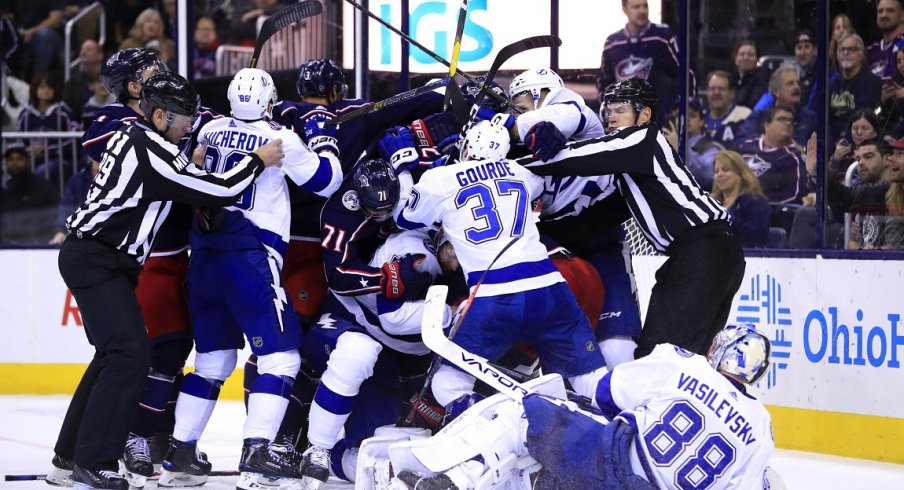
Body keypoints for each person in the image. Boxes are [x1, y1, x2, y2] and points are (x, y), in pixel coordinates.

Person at [51, 71, 283, 490]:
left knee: (112, 355)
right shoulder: (151, 148)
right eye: (182, 120)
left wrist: (187, 164)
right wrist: (258, 159)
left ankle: (68, 458)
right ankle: (94, 461)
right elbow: (221, 189)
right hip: (96, 259)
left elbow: (174, 172)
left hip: (102, 259)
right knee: (129, 354)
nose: (189, 127)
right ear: (159, 116)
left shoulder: (145, 139)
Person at [159, 67, 341, 488]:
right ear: (271, 100)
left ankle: (179, 452)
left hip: (202, 256)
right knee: (281, 359)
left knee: (212, 362)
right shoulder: (283, 138)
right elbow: (327, 182)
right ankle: (257, 455)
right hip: (251, 257)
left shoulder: (208, 128)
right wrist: (324, 138)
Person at [387, 323, 775, 490]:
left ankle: (454, 482)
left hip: (610, 462)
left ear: (720, 351)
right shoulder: (760, 427)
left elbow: (607, 395)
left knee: (524, 413)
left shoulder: (682, 363)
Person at [516, 78, 745, 359]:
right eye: (608, 110)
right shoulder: (634, 174)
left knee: (661, 357)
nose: (611, 117)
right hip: (714, 253)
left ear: (644, 115)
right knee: (689, 359)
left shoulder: (643, 139)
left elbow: (576, 158)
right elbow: (593, 221)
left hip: (703, 253)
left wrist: (510, 162)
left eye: (620, 110)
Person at [393, 120, 608, 415]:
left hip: (495, 296)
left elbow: (405, 219)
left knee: (448, 383)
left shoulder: (439, 179)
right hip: (550, 288)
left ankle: (497, 430)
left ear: (466, 147)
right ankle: (621, 436)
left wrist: (405, 171)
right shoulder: (522, 172)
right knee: (589, 378)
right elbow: (537, 181)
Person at [299, 226, 447, 485]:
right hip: (346, 318)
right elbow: (394, 319)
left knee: (378, 453)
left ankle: (330, 456)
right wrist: (452, 312)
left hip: (387, 356)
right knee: (357, 351)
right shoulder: (417, 251)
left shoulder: (474, 261)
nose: (458, 262)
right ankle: (317, 450)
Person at [596, 0, 680, 127]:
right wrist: (611, 112)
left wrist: (681, 107)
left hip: (660, 123)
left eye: (645, 6)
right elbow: (603, 83)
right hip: (624, 126)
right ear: (624, 8)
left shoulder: (663, 37)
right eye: (636, 7)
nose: (642, 11)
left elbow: (686, 73)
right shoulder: (612, 43)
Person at [735, 105, 810, 206]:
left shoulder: (794, 157)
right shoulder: (745, 146)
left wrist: (760, 204)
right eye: (781, 119)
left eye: (791, 120)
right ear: (766, 125)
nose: (788, 123)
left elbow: (794, 196)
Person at [710, 150, 771, 248]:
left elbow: (758, 237)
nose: (719, 174)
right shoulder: (711, 203)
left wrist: (725, 218)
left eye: (725, 170)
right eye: (716, 171)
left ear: (740, 175)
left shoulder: (755, 201)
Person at [0, 144, 58, 244]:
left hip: (38, 243)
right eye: (11, 159)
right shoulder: (7, 190)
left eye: (19, 159)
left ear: (28, 161)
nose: (15, 163)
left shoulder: (43, 186)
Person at [829, 33, 882, 141]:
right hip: (831, 143)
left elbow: (865, 117)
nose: (845, 53)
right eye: (841, 49)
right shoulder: (832, 83)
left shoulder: (872, 82)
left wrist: (845, 140)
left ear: (861, 54)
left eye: (851, 49)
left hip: (857, 140)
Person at [665, 98, 722, 189]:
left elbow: (708, 174)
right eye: (679, 115)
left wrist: (680, 148)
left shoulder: (711, 148)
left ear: (702, 121)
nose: (685, 119)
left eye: (692, 115)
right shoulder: (665, 144)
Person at [49, 158, 100, 245]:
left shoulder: (121, 178)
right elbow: (66, 207)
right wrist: (60, 230)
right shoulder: (78, 179)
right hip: (82, 237)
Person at [703, 70, 752, 148]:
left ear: (732, 93)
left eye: (721, 89)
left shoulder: (744, 115)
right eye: (712, 89)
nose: (716, 93)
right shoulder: (699, 118)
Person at [63, 39, 105, 120]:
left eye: (89, 49)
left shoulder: (112, 79)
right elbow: (67, 108)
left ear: (100, 55)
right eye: (82, 49)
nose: (83, 52)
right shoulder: (73, 82)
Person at [867, 0, 904, 77]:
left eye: (890, 11)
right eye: (880, 11)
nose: (884, 15)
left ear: (902, 16)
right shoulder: (871, 50)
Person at [732, 40, 770, 110]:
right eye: (742, 54)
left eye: (750, 55)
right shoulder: (732, 80)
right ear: (736, 59)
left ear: (757, 60)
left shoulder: (762, 78)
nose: (746, 58)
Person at [794, 30, 818, 107]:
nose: (802, 52)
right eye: (799, 47)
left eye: (807, 47)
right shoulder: (790, 73)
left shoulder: (823, 74)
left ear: (815, 50)